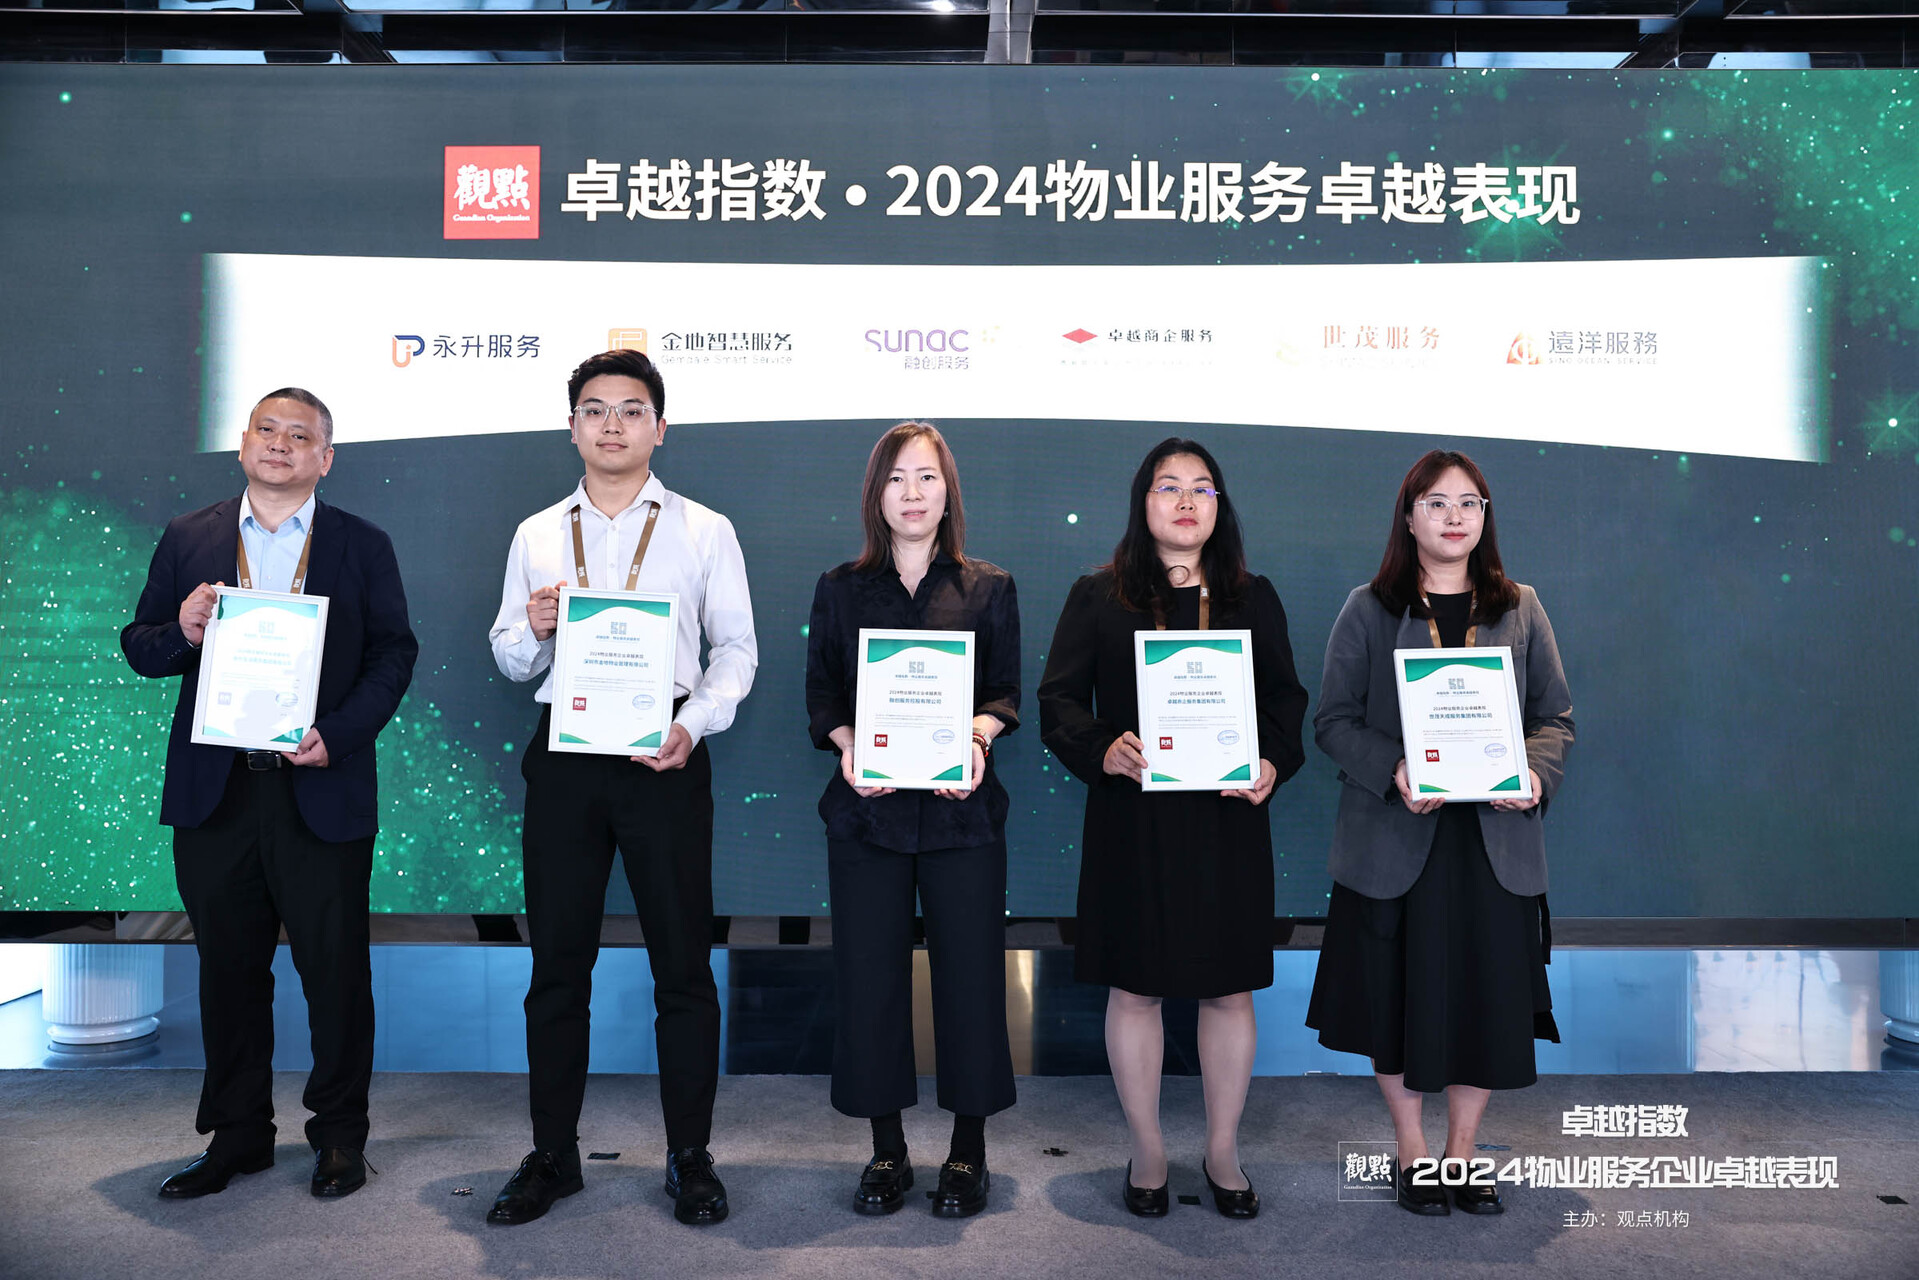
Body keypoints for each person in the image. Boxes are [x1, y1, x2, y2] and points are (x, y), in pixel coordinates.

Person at [122, 387, 418, 1200]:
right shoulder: (190, 536)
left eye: (300, 435)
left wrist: (339, 735)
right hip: (216, 793)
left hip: (320, 785)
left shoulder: (362, 543)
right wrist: (181, 631)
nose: (280, 444)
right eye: (266, 429)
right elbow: (140, 646)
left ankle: (339, 1136)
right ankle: (238, 1135)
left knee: (335, 972)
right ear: (243, 442)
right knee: (228, 971)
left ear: (326, 458)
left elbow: (393, 654)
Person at [485, 349, 757, 1227]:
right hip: (565, 758)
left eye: (632, 410)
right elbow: (510, 657)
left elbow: (737, 652)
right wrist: (532, 629)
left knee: (682, 966)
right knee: (557, 966)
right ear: (572, 427)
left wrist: (694, 724)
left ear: (659, 428)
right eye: (595, 410)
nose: (613, 424)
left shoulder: (704, 529)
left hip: (663, 754)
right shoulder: (536, 533)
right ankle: (551, 1155)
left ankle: (690, 1155)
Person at [1038, 437, 1307, 1220]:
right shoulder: (1098, 595)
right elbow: (1058, 701)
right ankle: (1148, 1149)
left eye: (1201, 488)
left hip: (1227, 821)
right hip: (1133, 821)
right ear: (1143, 502)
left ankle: (1222, 1150)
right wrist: (1102, 749)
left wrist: (1270, 762)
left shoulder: (1252, 597)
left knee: (1227, 990)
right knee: (1136, 988)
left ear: (1219, 506)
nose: (1186, 501)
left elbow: (1284, 702)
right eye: (1168, 486)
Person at [1305, 449, 1573, 1217]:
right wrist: (1393, 769)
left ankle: (1462, 1154)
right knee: (1395, 1002)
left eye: (1469, 504)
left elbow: (1554, 718)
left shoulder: (1520, 606)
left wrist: (1533, 774)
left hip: (1492, 843)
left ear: (1484, 518)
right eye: (1436, 503)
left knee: (1484, 1003)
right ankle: (1411, 1151)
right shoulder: (1368, 607)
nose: (1454, 517)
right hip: (1396, 841)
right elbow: (1332, 720)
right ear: (1408, 516)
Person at [803, 422, 1019, 1218]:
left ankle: (967, 1153)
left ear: (947, 491)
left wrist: (976, 739)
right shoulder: (840, 588)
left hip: (963, 819)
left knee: (971, 980)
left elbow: (1003, 692)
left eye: (926, 477)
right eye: (896, 478)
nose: (912, 493)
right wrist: (847, 744)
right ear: (876, 495)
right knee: (869, 981)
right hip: (869, 817)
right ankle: (886, 1151)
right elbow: (822, 692)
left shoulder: (989, 586)